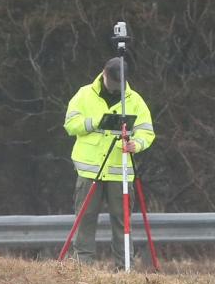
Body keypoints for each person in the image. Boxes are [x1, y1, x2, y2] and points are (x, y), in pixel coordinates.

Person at [63, 57, 155, 267]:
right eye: (113, 85)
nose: (115, 89)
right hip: (90, 172)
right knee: (85, 218)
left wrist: (137, 144)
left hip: (120, 171)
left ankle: (125, 267)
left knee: (122, 222)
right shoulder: (84, 95)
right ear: (104, 74)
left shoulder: (135, 100)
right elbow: (70, 125)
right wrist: (96, 123)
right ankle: (82, 267)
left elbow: (147, 131)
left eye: (119, 86)